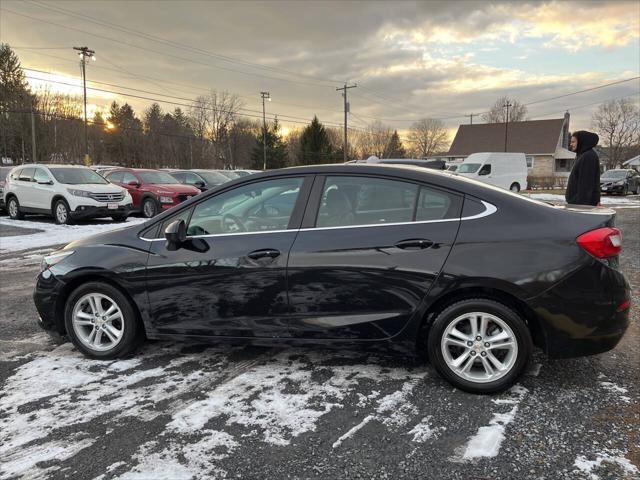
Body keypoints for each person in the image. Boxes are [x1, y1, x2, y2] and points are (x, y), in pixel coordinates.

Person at [565, 130, 601, 206]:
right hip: (577, 204)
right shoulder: (582, 155)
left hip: (583, 205)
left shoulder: (588, 157)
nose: (571, 144)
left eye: (573, 142)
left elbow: (586, 185)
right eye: (571, 142)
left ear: (582, 141)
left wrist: (580, 204)